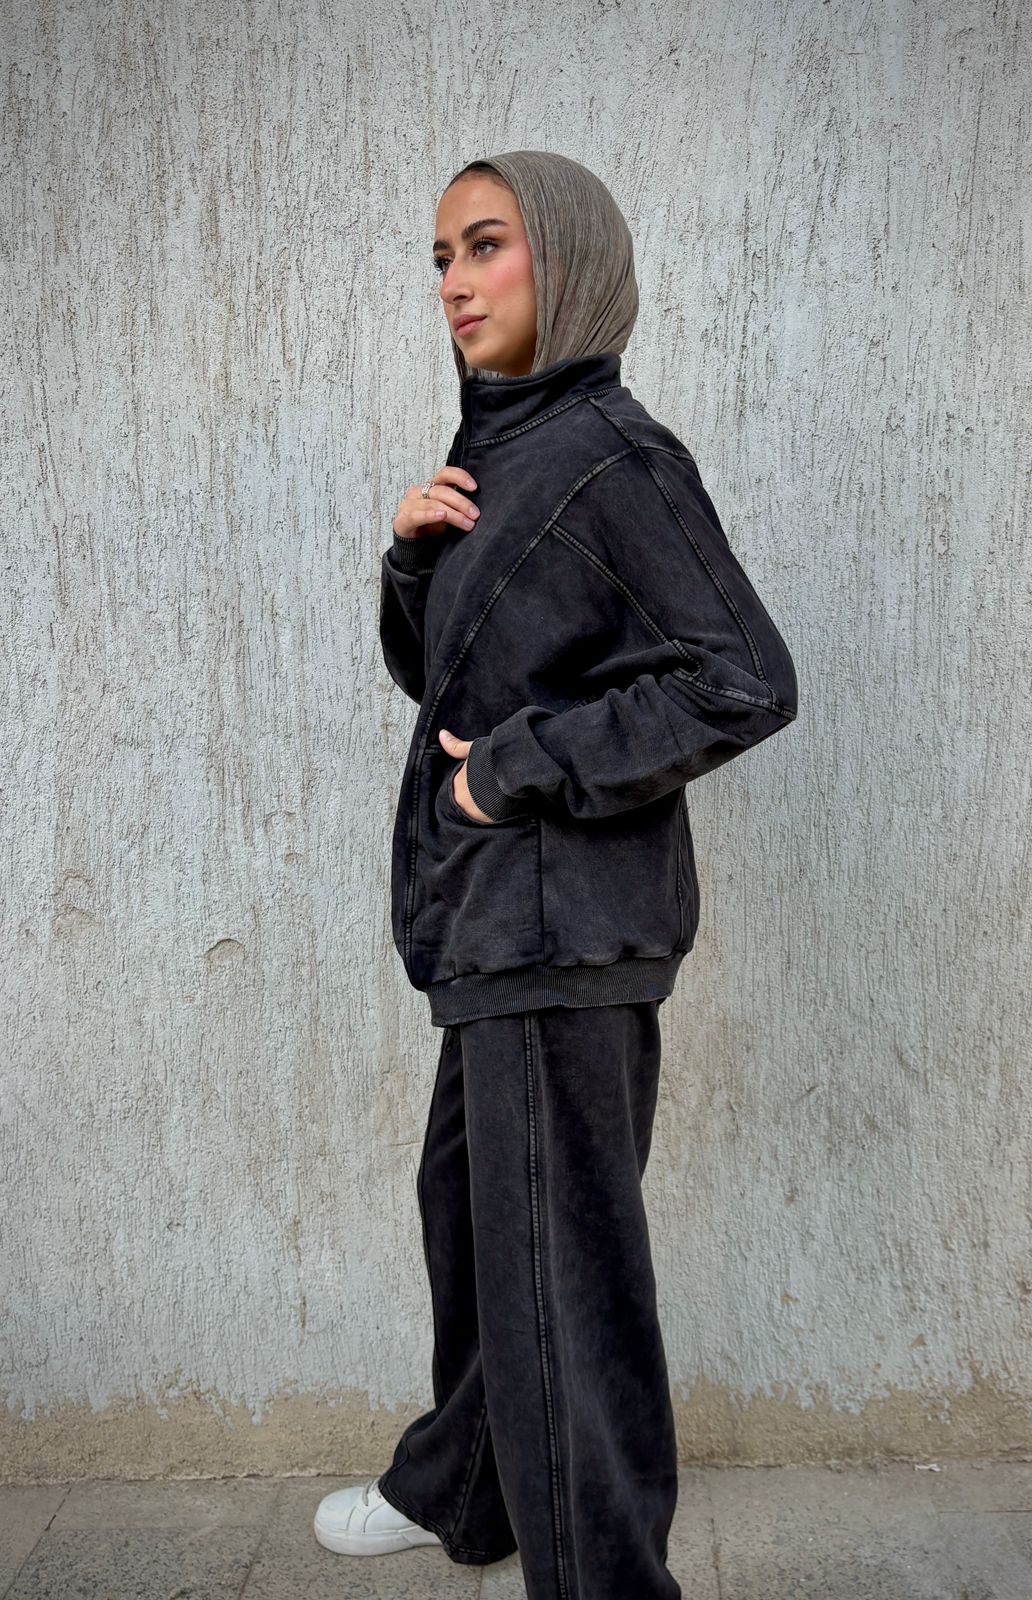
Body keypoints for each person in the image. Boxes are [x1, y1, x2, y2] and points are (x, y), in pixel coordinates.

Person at [312, 150, 797, 1599]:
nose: (455, 284)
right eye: (440, 258)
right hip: (495, 926)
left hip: (561, 928)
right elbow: (450, 677)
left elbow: (743, 681)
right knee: (475, 1221)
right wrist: (412, 560)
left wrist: (513, 767)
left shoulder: (615, 459)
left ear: (567, 259)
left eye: (486, 246)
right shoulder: (508, 452)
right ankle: (465, 1488)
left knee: (558, 1284)